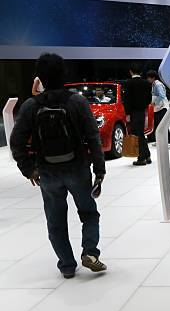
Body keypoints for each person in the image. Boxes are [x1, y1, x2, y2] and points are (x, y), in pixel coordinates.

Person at [10, 53, 107, 279]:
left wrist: (28, 169)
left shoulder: (31, 106)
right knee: (89, 213)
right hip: (78, 168)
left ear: (40, 78)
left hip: (47, 172)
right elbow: (93, 136)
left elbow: (16, 142)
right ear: (64, 74)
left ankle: (66, 265)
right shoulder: (77, 102)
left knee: (55, 221)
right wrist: (100, 170)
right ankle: (90, 252)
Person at [124, 63, 152, 166]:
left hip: (133, 112)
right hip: (143, 111)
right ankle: (147, 155)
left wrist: (127, 114)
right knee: (141, 134)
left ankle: (141, 158)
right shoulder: (146, 83)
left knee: (138, 134)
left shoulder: (128, 83)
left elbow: (127, 99)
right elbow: (149, 98)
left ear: (130, 71)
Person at [146, 70, 170, 144]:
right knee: (157, 124)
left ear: (153, 77)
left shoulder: (158, 84)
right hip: (158, 108)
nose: (147, 79)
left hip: (161, 108)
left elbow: (162, 95)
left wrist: (154, 103)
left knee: (162, 125)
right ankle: (158, 140)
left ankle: (167, 141)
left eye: (148, 78)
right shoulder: (154, 84)